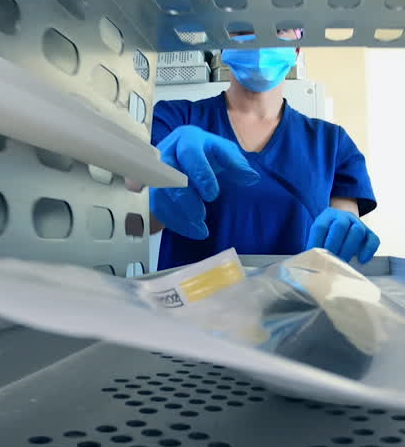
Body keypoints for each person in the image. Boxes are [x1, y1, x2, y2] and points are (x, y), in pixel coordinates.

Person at [150, 30, 379, 270]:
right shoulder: (174, 118)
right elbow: (138, 225)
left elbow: (339, 244)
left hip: (293, 303)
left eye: (279, 29)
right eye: (243, 28)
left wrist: (347, 228)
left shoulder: (332, 143)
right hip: (191, 302)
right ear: (222, 45)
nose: (260, 38)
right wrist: (157, 185)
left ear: (297, 49)